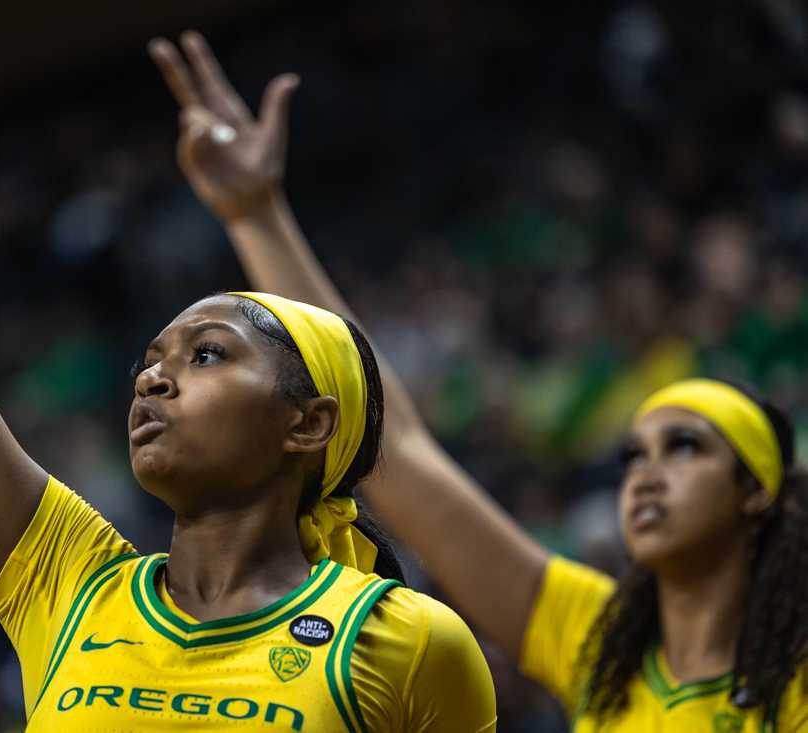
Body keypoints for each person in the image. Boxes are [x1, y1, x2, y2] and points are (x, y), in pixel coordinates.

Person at [0, 2, 497, 731]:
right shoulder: (75, 586)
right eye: (149, 360)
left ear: (309, 421)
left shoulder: (410, 644)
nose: (152, 378)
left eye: (207, 354)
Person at [148, 31, 808, 732]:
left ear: (757, 491)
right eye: (633, 455)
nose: (644, 475)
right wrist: (256, 217)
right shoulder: (596, 639)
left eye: (684, 447)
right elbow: (390, 444)